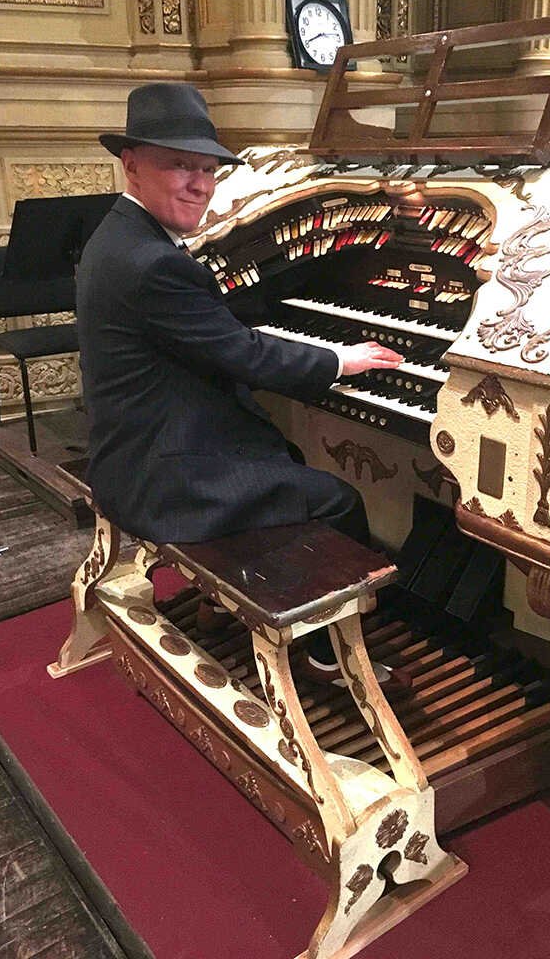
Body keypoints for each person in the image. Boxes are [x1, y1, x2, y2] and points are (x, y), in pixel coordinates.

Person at [77, 82, 409, 691]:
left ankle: (219, 602)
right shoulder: (152, 262)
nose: (199, 184)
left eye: (207, 169)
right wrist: (340, 357)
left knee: (285, 459)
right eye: (179, 165)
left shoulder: (121, 236)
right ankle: (325, 660)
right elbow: (241, 353)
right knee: (338, 501)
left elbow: (203, 332)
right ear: (131, 164)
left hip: (132, 446)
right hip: (161, 476)